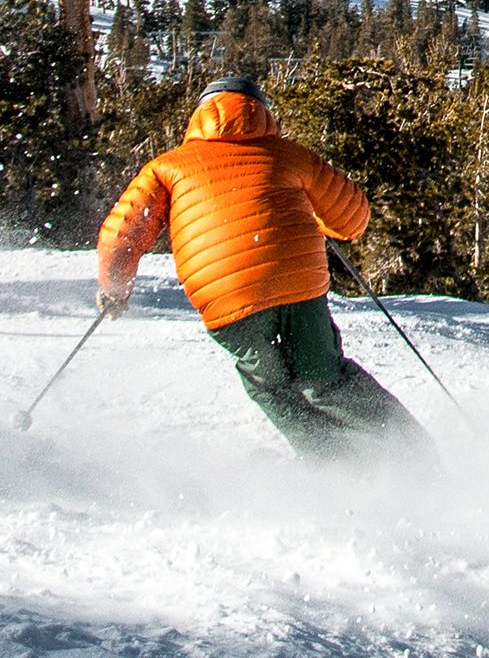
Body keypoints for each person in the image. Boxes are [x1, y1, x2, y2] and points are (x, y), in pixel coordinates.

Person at [96, 73, 426, 458]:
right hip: (296, 280)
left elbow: (122, 235)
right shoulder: (288, 154)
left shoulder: (169, 168)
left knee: (270, 386)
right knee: (324, 379)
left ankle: (338, 470)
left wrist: (114, 288)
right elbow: (353, 218)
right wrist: (319, 218)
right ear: (261, 111)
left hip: (227, 297)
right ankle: (414, 453)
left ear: (198, 115)